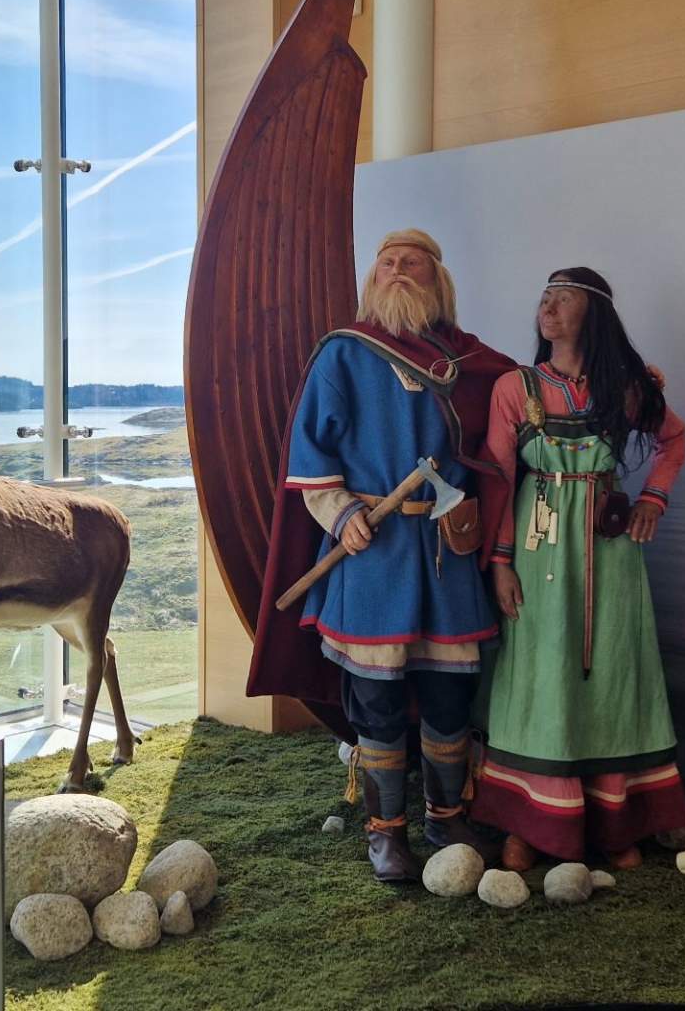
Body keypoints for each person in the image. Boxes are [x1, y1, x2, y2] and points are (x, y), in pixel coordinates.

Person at [247, 228, 516, 882]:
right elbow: (311, 453)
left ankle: (445, 816)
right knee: (376, 702)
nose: (398, 269)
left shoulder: (468, 362)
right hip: (373, 555)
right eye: (388, 261)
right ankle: (385, 830)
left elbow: (520, 405)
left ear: (437, 280)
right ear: (373, 279)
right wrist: (340, 514)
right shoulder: (345, 354)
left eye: (413, 262)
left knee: (451, 696)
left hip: (447, 555)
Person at [470, 266, 685, 872]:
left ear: (591, 313)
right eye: (544, 297)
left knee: (611, 669)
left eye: (563, 298)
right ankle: (529, 825)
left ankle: (610, 820)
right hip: (536, 542)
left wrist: (653, 497)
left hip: (610, 550)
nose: (548, 307)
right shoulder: (513, 387)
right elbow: (497, 479)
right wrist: (498, 562)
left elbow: (673, 441)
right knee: (539, 671)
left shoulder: (625, 386)